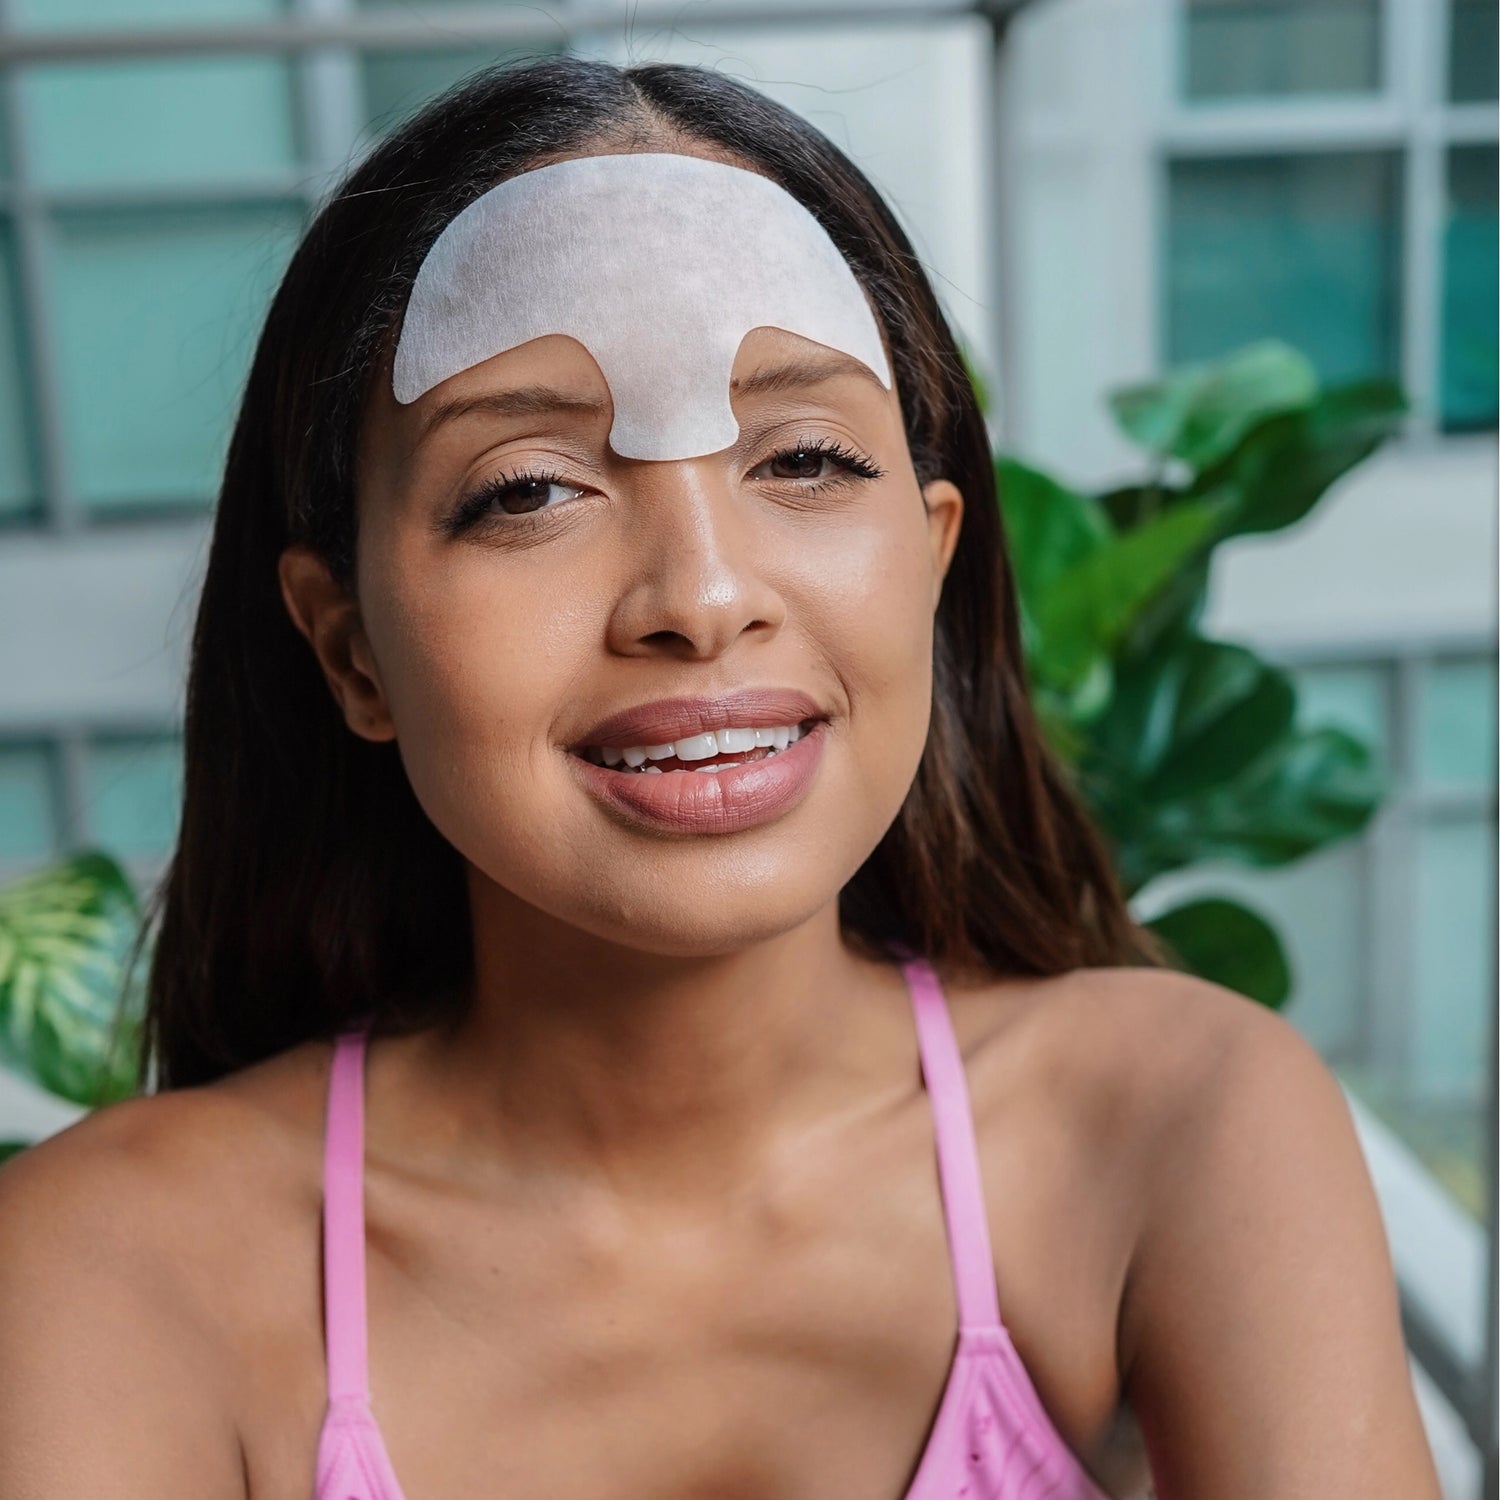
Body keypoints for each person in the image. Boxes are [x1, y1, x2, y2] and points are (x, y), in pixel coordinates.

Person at [0, 54, 1439, 1500]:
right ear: (351, 648)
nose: (700, 593)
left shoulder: (1181, 1127)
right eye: (528, 489)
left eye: (805, 457)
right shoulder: (108, 1272)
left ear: (934, 564)